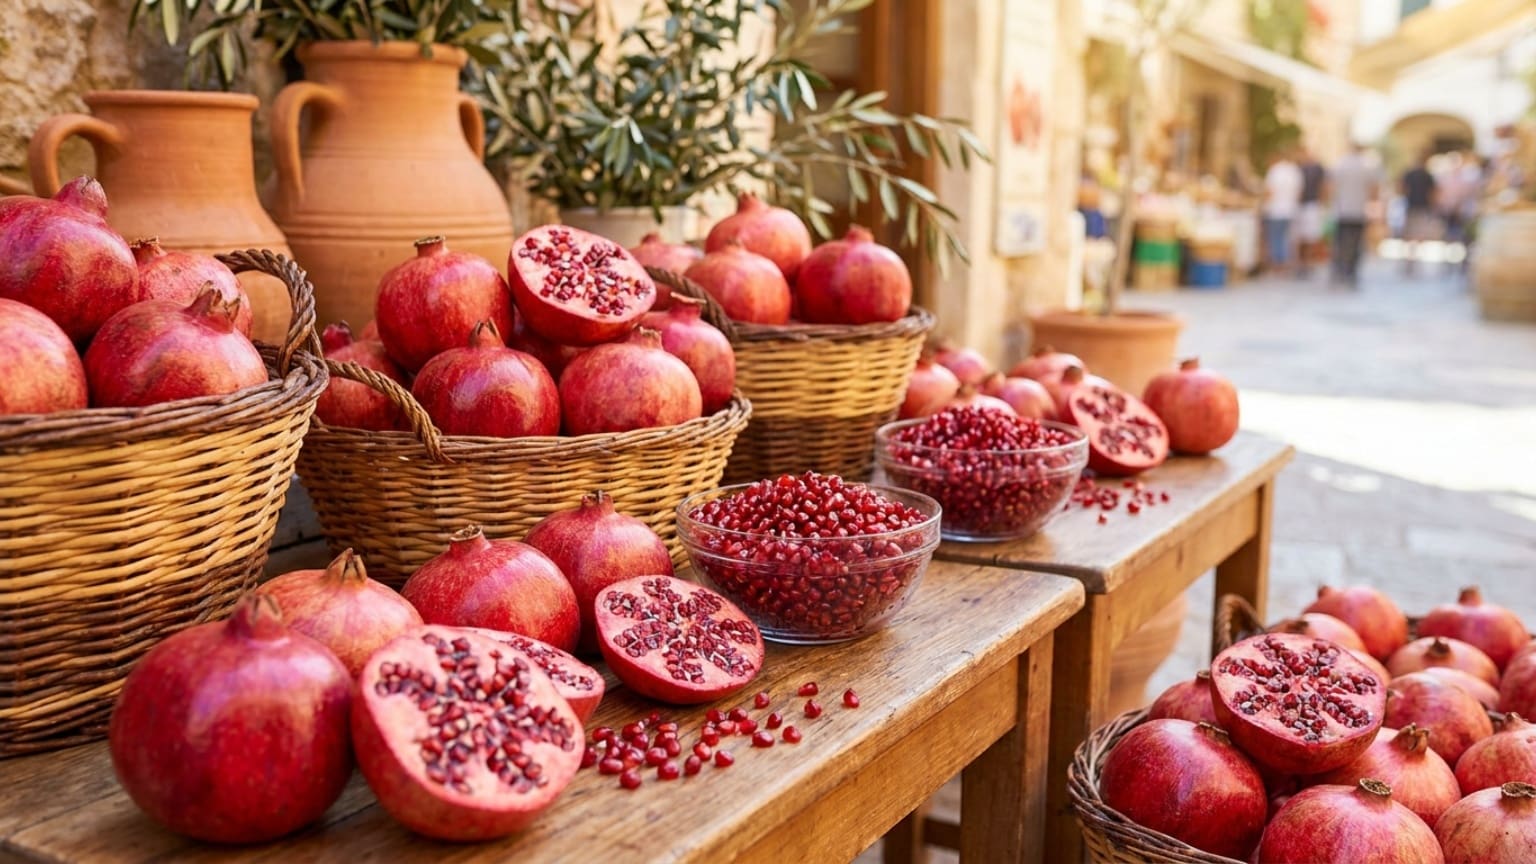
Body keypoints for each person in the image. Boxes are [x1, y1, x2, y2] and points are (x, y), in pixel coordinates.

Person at [1329, 141, 1382, 288]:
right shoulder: (1366, 166)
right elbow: (1374, 190)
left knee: (1341, 242)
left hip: (1342, 210)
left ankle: (1340, 269)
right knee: (1357, 243)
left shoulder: (1340, 164)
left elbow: (1331, 186)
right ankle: (1351, 271)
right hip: (1359, 210)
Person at [1262, 148, 1303, 277]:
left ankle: (1277, 265)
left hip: (1276, 209)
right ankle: (1285, 264)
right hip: (1290, 210)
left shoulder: (1274, 171)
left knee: (1275, 238)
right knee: (1286, 238)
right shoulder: (1294, 171)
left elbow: (1270, 191)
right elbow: (1299, 193)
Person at [1400, 150, 1438, 276]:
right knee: (1418, 234)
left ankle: (1410, 259)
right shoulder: (1427, 175)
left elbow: (1402, 188)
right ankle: (1414, 258)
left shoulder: (1410, 174)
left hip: (1411, 206)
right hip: (1421, 207)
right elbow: (1433, 192)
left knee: (1410, 234)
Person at [1297, 148, 1327, 277]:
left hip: (1313, 204)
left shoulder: (1318, 169)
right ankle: (1302, 263)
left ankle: (1309, 262)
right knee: (1302, 236)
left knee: (1311, 235)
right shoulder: (1299, 168)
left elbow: (1323, 186)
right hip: (1302, 206)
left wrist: (1323, 202)